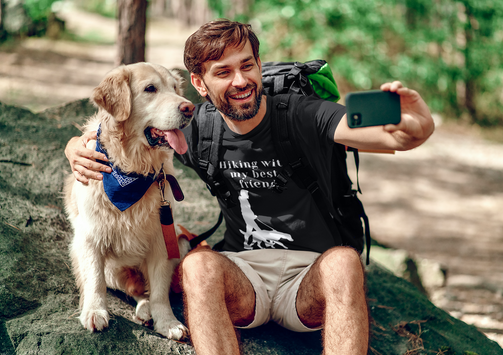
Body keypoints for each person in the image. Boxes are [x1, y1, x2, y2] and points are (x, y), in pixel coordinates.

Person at [65, 19, 434, 355]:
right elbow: (119, 134)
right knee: (197, 267)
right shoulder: (193, 131)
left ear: (259, 66)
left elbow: (392, 138)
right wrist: (74, 148)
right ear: (200, 84)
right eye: (223, 72)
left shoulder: (302, 115)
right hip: (244, 277)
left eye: (247, 66)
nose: (240, 81)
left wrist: (418, 126)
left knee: (344, 261)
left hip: (310, 277)